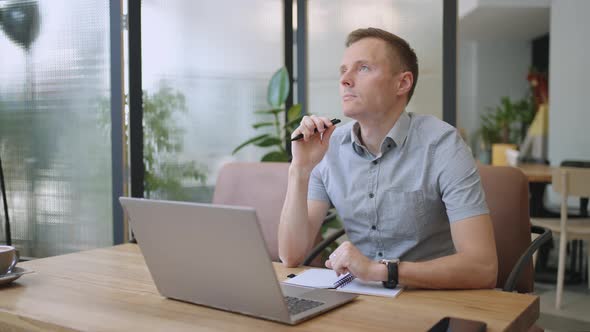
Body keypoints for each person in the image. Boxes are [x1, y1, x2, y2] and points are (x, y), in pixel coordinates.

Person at [278, 28, 498, 289]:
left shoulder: (442, 145)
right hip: (361, 298)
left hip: (433, 298)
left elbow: (483, 268)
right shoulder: (327, 147)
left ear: (402, 83)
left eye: (363, 68)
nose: (345, 80)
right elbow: (290, 256)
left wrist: (378, 271)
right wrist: (300, 169)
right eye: (343, 71)